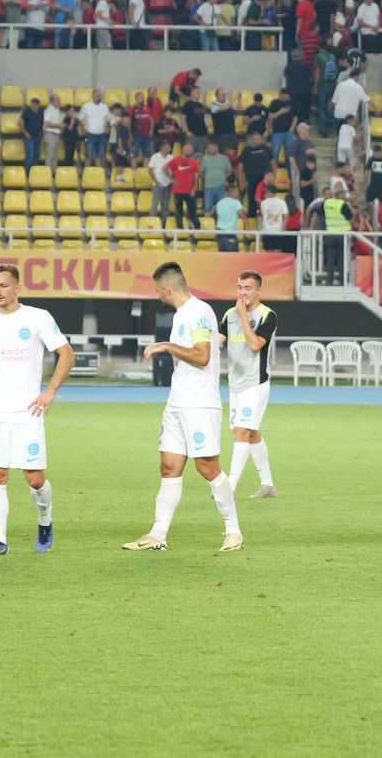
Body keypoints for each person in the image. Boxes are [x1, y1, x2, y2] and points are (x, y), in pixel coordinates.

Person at [123, 262, 242, 552]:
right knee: (169, 467)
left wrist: (166, 346)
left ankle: (233, 531)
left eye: (157, 291)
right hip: (178, 402)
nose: (158, 296)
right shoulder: (181, 315)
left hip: (200, 404)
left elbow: (202, 356)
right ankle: (157, 535)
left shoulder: (198, 312)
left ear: (167, 289)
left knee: (207, 467)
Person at [0, 265, 74, 557]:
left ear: (17, 288)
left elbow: (66, 353)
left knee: (34, 479)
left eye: (3, 286)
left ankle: (45, 520)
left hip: (28, 413)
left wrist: (50, 391)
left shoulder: (38, 318)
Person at [220, 271, 279, 499]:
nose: (243, 292)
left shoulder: (268, 315)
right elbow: (217, 341)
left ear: (258, 291)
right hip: (234, 383)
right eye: (239, 287)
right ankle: (268, 485)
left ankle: (229, 487)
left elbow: (255, 345)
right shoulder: (228, 314)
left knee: (240, 431)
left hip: (255, 383)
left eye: (247, 288)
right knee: (252, 433)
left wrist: (243, 316)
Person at [322, 190, 354, 284]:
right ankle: (342, 280)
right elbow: (350, 218)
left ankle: (329, 280)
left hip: (330, 234)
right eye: (344, 195)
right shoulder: (342, 204)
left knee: (330, 258)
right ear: (340, 195)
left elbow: (318, 211)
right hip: (342, 235)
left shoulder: (327, 202)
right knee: (341, 258)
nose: (345, 197)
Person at [167, 143, 201, 230]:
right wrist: (171, 179)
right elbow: (165, 169)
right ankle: (180, 229)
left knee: (192, 211)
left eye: (190, 150)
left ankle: (197, 228)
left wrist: (194, 188)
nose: (188, 151)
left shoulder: (194, 161)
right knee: (179, 211)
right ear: (182, 150)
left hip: (190, 191)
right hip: (178, 190)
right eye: (187, 149)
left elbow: (196, 176)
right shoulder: (176, 160)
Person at [214, 185, 243, 252]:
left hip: (219, 232)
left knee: (223, 256)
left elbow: (216, 216)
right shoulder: (236, 202)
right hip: (229, 233)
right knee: (233, 256)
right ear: (230, 192)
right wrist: (248, 227)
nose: (238, 193)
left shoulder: (219, 202)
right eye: (236, 191)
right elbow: (242, 215)